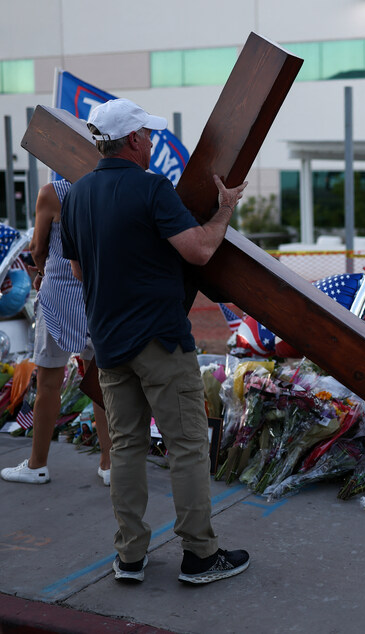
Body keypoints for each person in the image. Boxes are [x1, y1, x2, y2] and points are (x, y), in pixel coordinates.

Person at [60, 98, 249, 586]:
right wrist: (225, 209)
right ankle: (200, 556)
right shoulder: (151, 188)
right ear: (132, 142)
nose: (153, 140)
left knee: (125, 446)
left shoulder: (76, 196)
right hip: (161, 341)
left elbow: (81, 272)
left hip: (109, 342)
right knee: (186, 445)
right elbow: (201, 250)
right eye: (147, 134)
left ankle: (129, 556)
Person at [1, 180, 112, 486]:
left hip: (59, 294)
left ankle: (37, 465)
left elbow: (38, 248)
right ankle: (109, 463)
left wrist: (41, 273)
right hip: (97, 295)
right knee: (99, 381)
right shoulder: (106, 186)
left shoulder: (53, 192)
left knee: (48, 382)